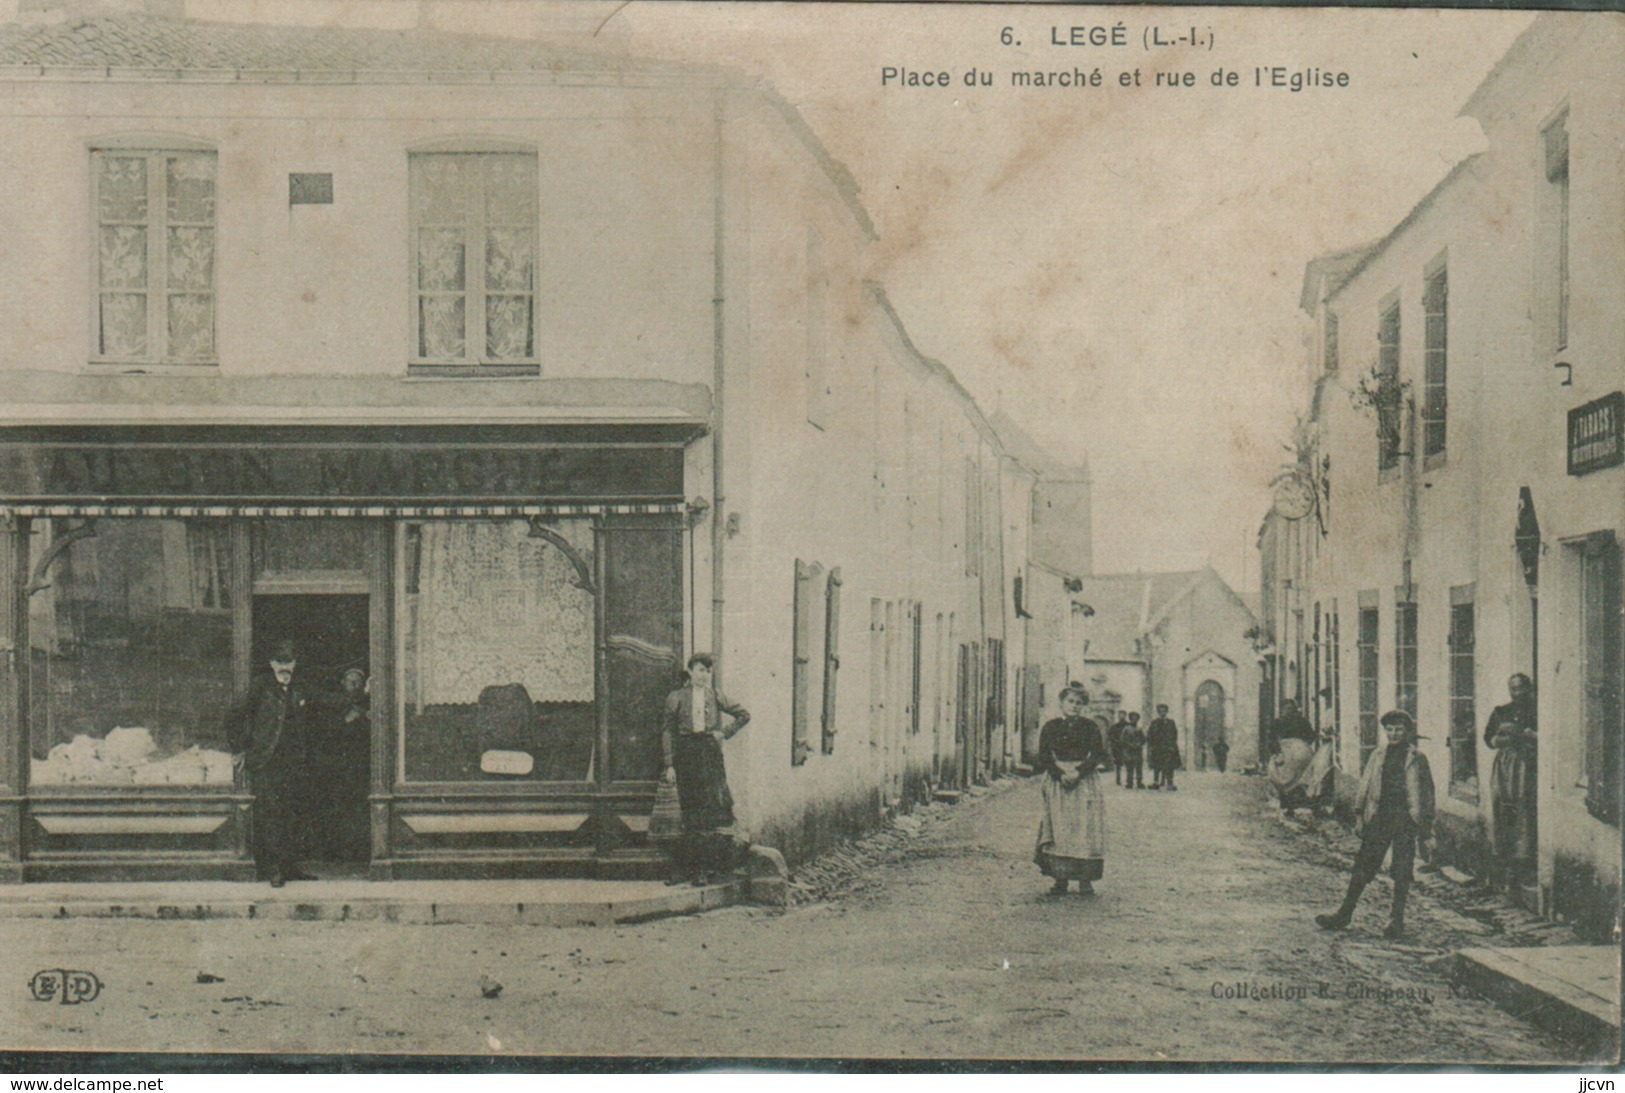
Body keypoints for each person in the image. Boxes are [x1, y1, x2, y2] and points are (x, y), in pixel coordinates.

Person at [1315, 710, 1435, 938]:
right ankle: (1344, 913)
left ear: (1407, 732)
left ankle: (1396, 921)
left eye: (1399, 729)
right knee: (1364, 865)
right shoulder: (1378, 755)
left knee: (1402, 870)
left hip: (1405, 819)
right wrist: (1359, 815)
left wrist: (1425, 826)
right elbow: (1365, 785)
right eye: (1389, 729)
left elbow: (1427, 793)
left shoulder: (1417, 758)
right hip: (1380, 816)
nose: (1394, 733)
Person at [225, 640, 314, 888]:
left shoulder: (299, 687)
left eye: (289, 662)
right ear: (272, 664)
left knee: (291, 814)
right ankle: (273, 869)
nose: (285, 667)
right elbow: (235, 715)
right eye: (280, 663)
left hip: (294, 762)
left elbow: (324, 702)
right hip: (267, 761)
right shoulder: (260, 687)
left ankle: (289, 866)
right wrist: (240, 748)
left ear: (295, 664)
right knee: (271, 814)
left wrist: (362, 693)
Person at [661, 653, 750, 887]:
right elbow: (668, 731)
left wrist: (723, 733)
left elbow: (743, 715)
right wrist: (669, 764)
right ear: (690, 671)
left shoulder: (715, 695)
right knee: (689, 813)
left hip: (709, 754)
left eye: (708, 671)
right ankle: (685, 869)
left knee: (708, 813)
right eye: (700, 670)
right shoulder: (677, 697)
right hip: (686, 754)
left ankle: (703, 870)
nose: (704, 675)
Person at [1033, 685, 1112, 895]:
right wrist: (1059, 773)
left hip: (1084, 781)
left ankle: (1085, 880)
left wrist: (1079, 771)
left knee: (1084, 828)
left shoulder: (1090, 727)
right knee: (1059, 827)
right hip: (1058, 780)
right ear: (1061, 703)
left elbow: (1097, 755)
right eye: (1071, 702)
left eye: (1079, 703)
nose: (1074, 706)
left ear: (1083, 706)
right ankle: (1060, 878)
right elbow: (1044, 756)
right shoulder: (1051, 727)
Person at [1485, 673, 1537, 891]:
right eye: (1513, 689)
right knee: (1503, 809)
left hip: (1526, 766)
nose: (1517, 693)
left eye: (1521, 688)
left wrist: (1530, 735)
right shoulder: (1501, 711)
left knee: (1523, 808)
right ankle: (1503, 862)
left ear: (1529, 689)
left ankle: (1523, 862)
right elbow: (1488, 738)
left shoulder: (1536, 711)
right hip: (1505, 766)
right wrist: (1502, 739)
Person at [312, 667, 370, 861]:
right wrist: (346, 720)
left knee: (358, 810)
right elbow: (323, 735)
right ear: (342, 684)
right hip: (335, 767)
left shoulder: (368, 707)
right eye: (349, 681)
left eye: (358, 682)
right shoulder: (331, 706)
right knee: (335, 809)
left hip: (359, 768)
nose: (353, 685)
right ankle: (334, 853)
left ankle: (358, 853)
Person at [1266, 699, 1326, 814]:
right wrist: (1302, 744)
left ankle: (1290, 806)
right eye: (1286, 709)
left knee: (1283, 778)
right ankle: (1299, 803)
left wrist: (1277, 752)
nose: (1288, 712)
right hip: (1298, 751)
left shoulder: (1281, 722)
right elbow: (1311, 736)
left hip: (1291, 753)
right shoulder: (1299, 721)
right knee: (1299, 778)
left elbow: (1271, 740)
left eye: (1290, 709)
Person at [1147, 704, 1181, 790]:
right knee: (1157, 765)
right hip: (1158, 747)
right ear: (1158, 712)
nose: (1162, 713)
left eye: (1164, 711)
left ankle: (1170, 783)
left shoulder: (1171, 722)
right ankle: (1156, 782)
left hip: (1169, 747)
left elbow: (1174, 734)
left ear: (1166, 712)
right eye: (1160, 711)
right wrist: (1152, 746)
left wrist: (1172, 745)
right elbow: (1150, 734)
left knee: (1170, 766)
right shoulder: (1154, 722)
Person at [1118, 712, 1146, 789]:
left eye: (1136, 719)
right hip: (1128, 751)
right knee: (1129, 767)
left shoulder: (1139, 729)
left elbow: (1144, 739)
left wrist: (1139, 744)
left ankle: (1139, 782)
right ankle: (1129, 782)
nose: (1134, 720)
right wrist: (1129, 745)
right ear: (1130, 719)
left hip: (1137, 751)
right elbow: (1122, 739)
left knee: (1139, 767)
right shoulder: (1126, 729)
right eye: (1133, 719)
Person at [1106, 713, 1128, 786]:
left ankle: (1129, 779)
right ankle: (1118, 780)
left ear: (1125, 716)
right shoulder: (1114, 726)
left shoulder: (1128, 725)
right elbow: (1110, 736)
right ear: (1118, 716)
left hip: (1127, 746)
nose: (1122, 716)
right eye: (1120, 715)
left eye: (1123, 715)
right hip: (1117, 747)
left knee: (1129, 763)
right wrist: (1115, 742)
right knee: (1118, 764)